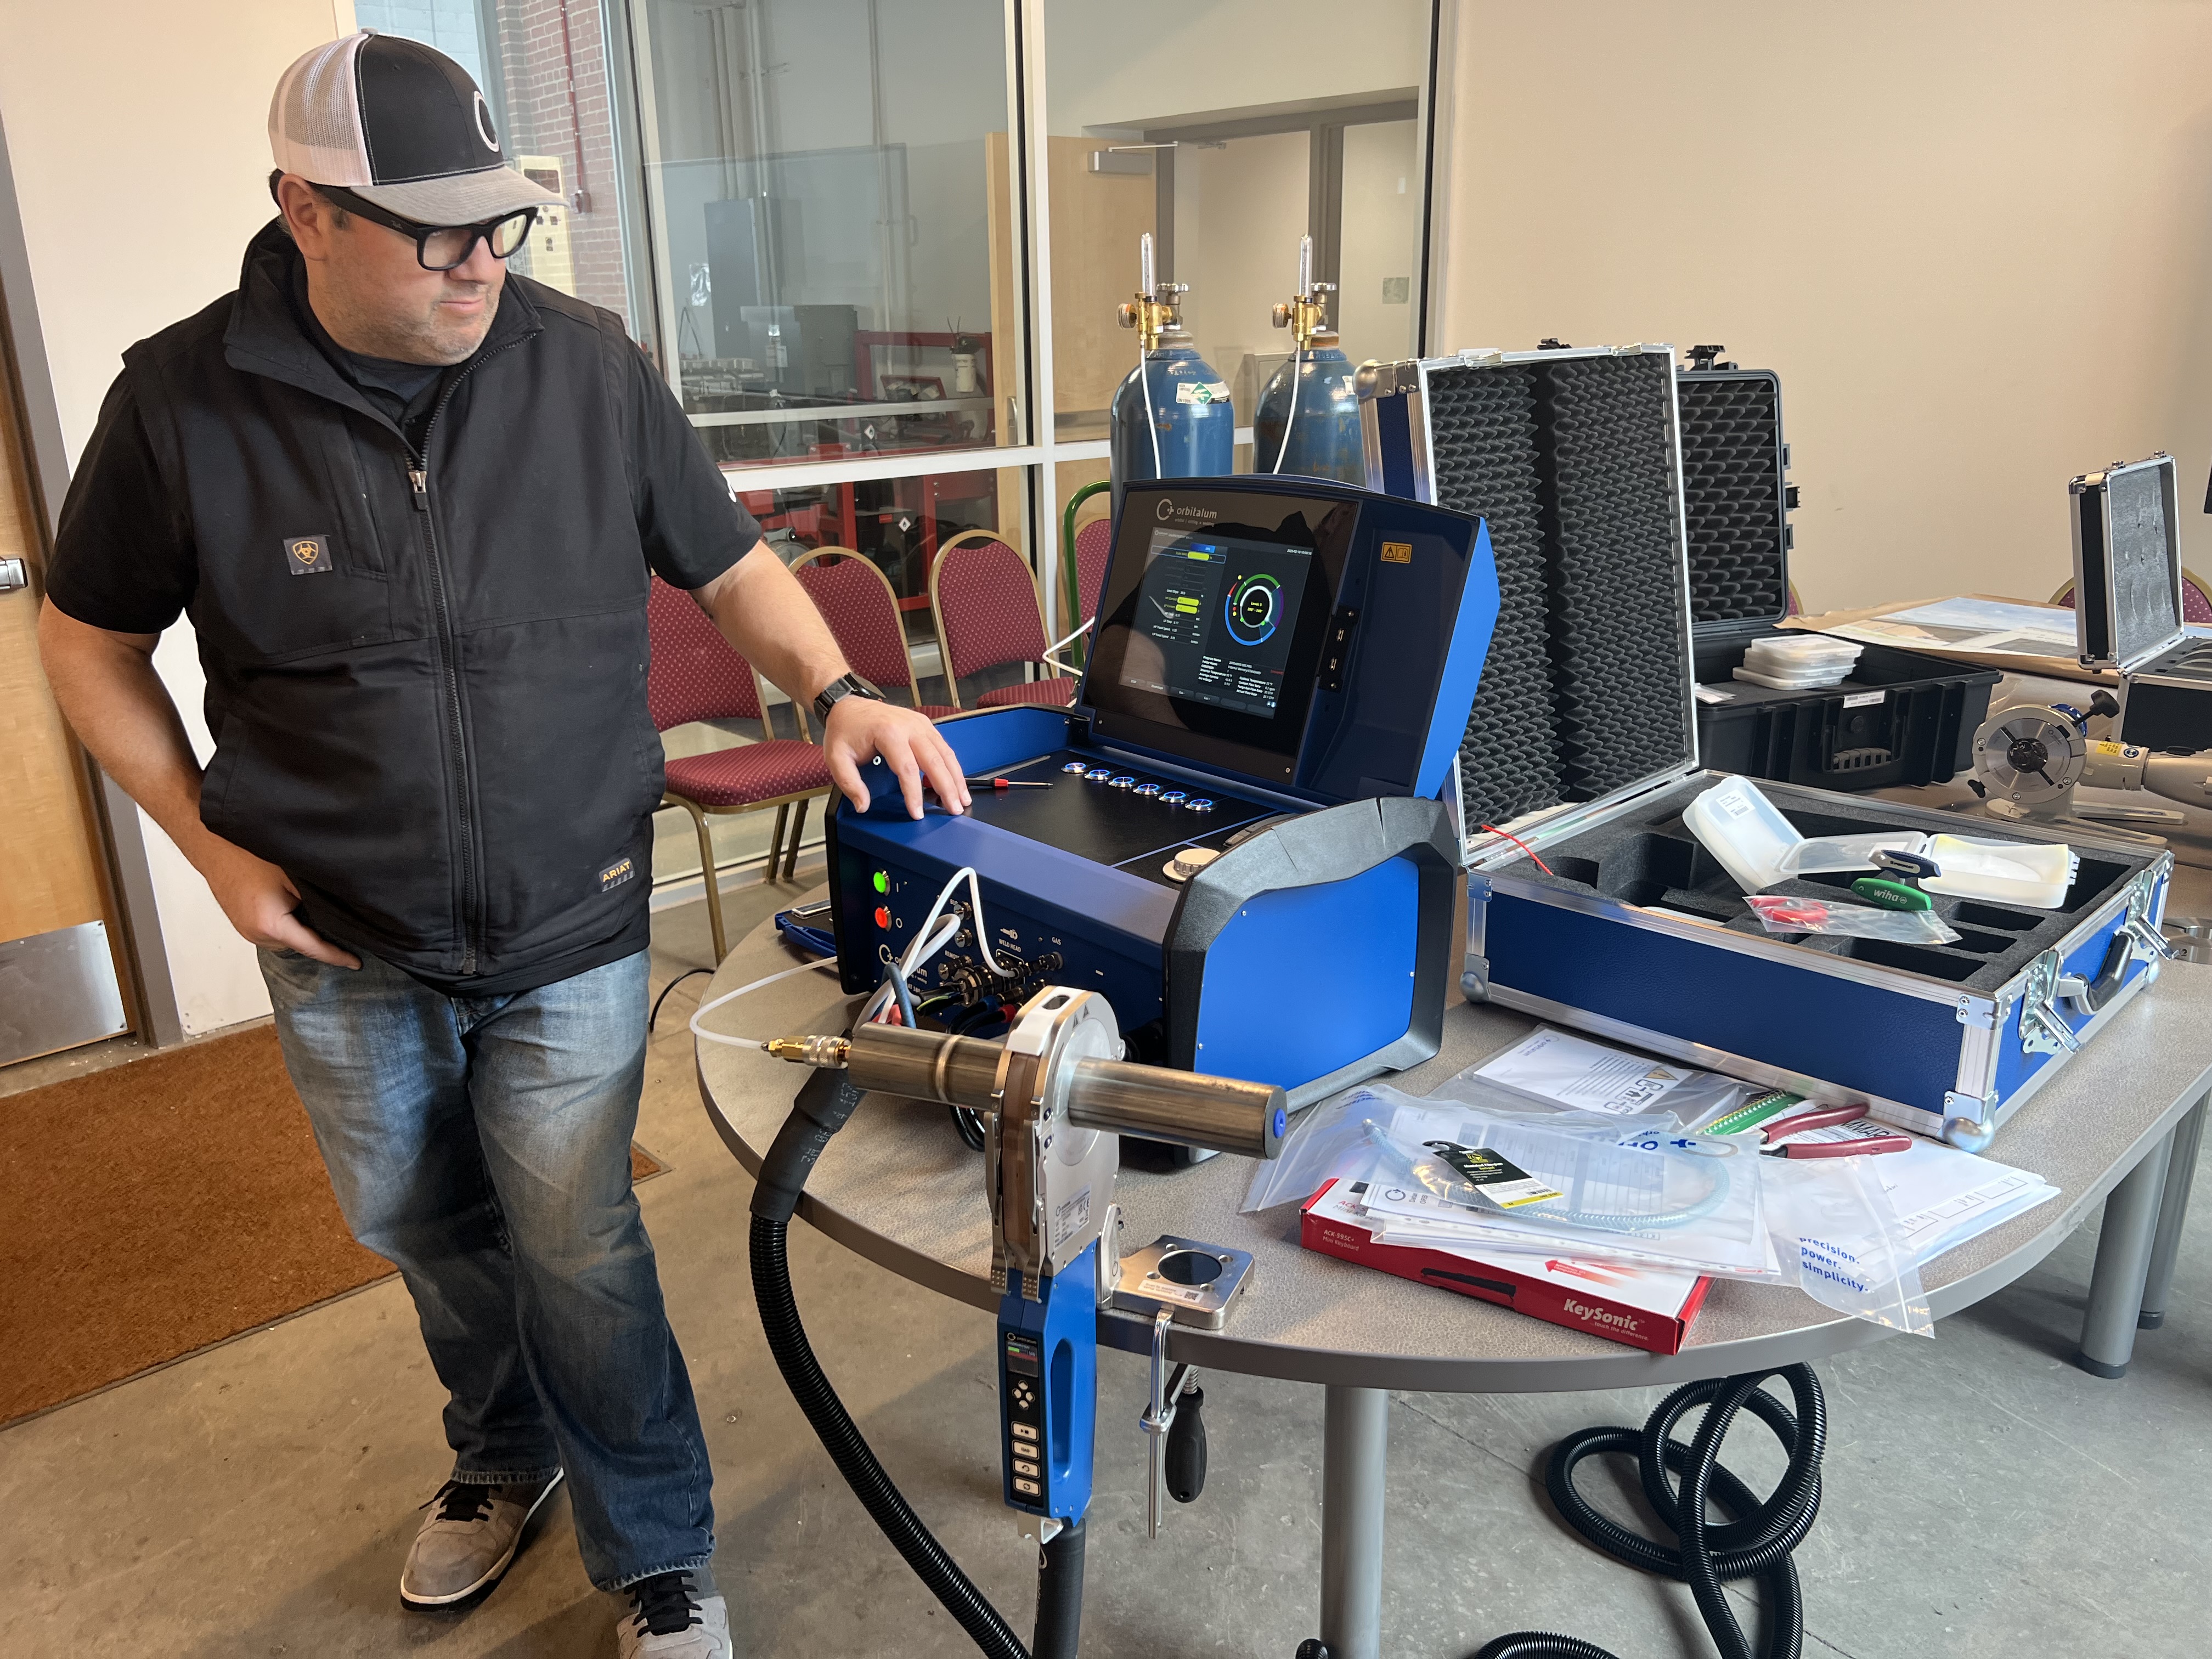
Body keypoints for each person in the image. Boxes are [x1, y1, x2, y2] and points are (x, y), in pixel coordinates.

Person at [36, 30, 970, 1659]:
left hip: (571, 914)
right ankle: (502, 1451)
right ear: (305, 211)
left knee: (580, 1238)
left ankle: (656, 1543)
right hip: (335, 928)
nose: (482, 261)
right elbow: (85, 638)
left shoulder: (584, 366)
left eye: (501, 222)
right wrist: (202, 846)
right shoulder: (182, 403)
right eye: (437, 229)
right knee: (422, 1223)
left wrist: (840, 687)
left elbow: (731, 558)